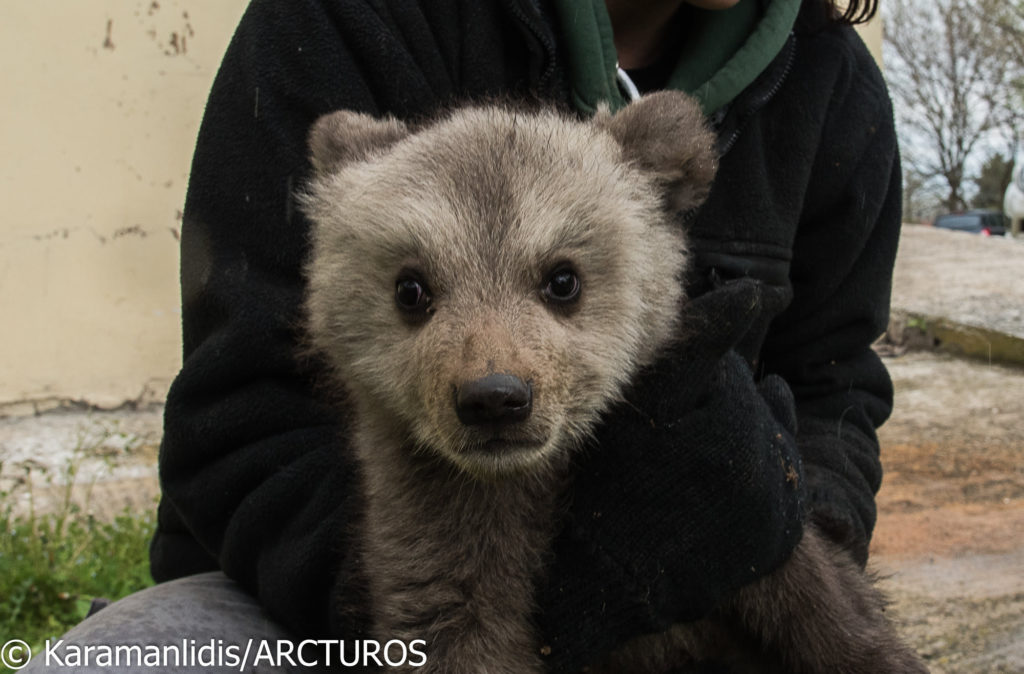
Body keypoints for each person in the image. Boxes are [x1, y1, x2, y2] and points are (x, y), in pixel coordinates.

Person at [29, 1, 900, 672]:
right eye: (416, 294)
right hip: (316, 605)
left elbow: (834, 385)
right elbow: (238, 424)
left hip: (697, 605)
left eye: (560, 287)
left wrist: (780, 528)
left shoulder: (831, 85)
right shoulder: (346, 18)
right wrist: (438, 602)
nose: (489, 373)